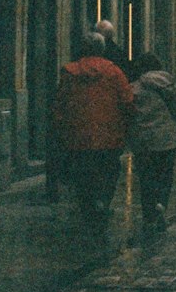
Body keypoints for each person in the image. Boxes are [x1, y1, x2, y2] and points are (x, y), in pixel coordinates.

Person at [52, 29, 133, 242]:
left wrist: (62, 129)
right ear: (103, 48)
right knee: (108, 171)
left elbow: (60, 105)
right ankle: (103, 202)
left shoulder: (69, 73)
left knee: (82, 175)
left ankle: (89, 210)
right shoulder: (114, 72)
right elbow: (127, 101)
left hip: (78, 137)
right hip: (109, 136)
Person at [128, 51, 176, 235]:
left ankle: (148, 216)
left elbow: (129, 113)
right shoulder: (169, 84)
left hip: (143, 141)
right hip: (166, 139)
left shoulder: (133, 88)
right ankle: (161, 204)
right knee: (165, 176)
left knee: (146, 179)